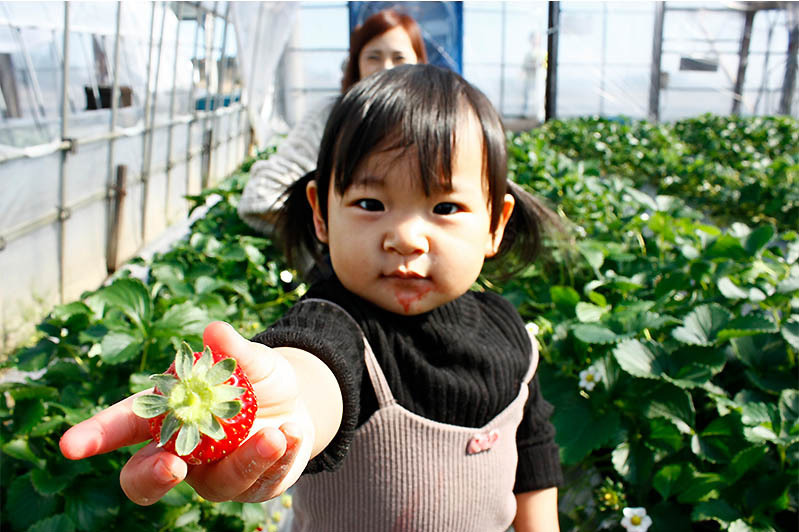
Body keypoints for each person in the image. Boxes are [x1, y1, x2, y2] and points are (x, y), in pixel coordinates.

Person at [60, 64, 563, 531]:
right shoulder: (337, 322)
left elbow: (534, 461)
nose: (407, 237)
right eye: (371, 203)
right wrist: (282, 408)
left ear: (496, 224)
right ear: (322, 213)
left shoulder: (511, 334)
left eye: (445, 206)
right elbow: (313, 369)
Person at [238, 8, 428, 235]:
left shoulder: (433, 123)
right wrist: (332, 233)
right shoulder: (330, 117)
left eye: (399, 58)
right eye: (373, 57)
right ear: (356, 64)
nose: (386, 68)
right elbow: (260, 197)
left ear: (419, 63)